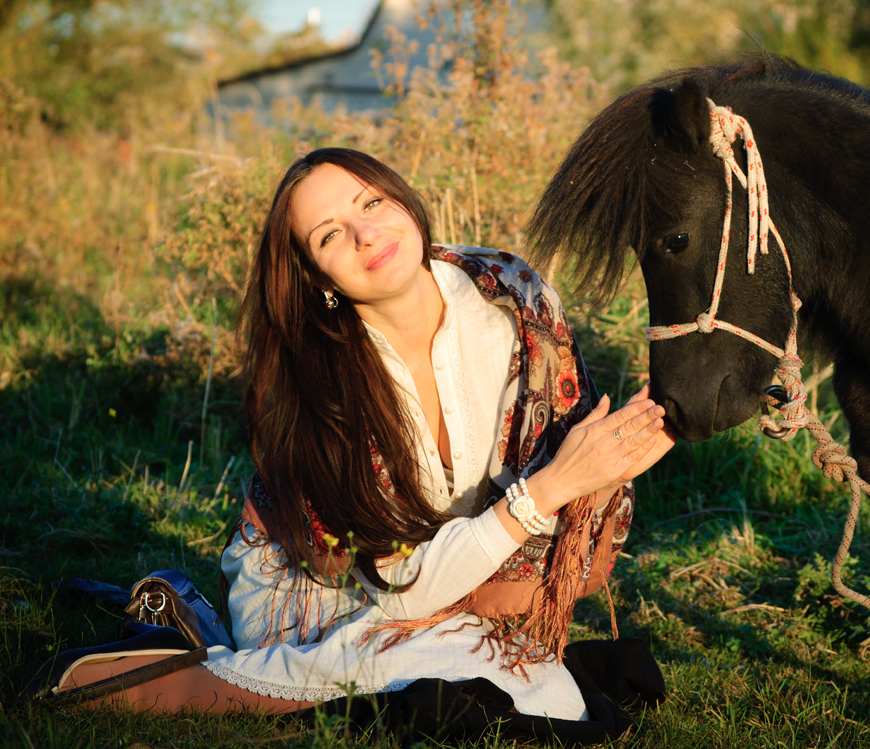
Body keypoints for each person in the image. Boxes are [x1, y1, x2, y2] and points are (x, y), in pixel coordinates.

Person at [57, 148, 673, 726]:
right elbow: (401, 594)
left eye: (371, 204)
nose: (365, 234)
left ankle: (192, 630)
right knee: (536, 692)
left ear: (403, 200)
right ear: (318, 277)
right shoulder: (326, 380)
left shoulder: (513, 296)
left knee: (533, 690)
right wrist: (554, 486)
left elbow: (576, 454)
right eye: (329, 235)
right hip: (314, 591)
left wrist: (615, 457)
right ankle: (167, 681)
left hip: (455, 581)